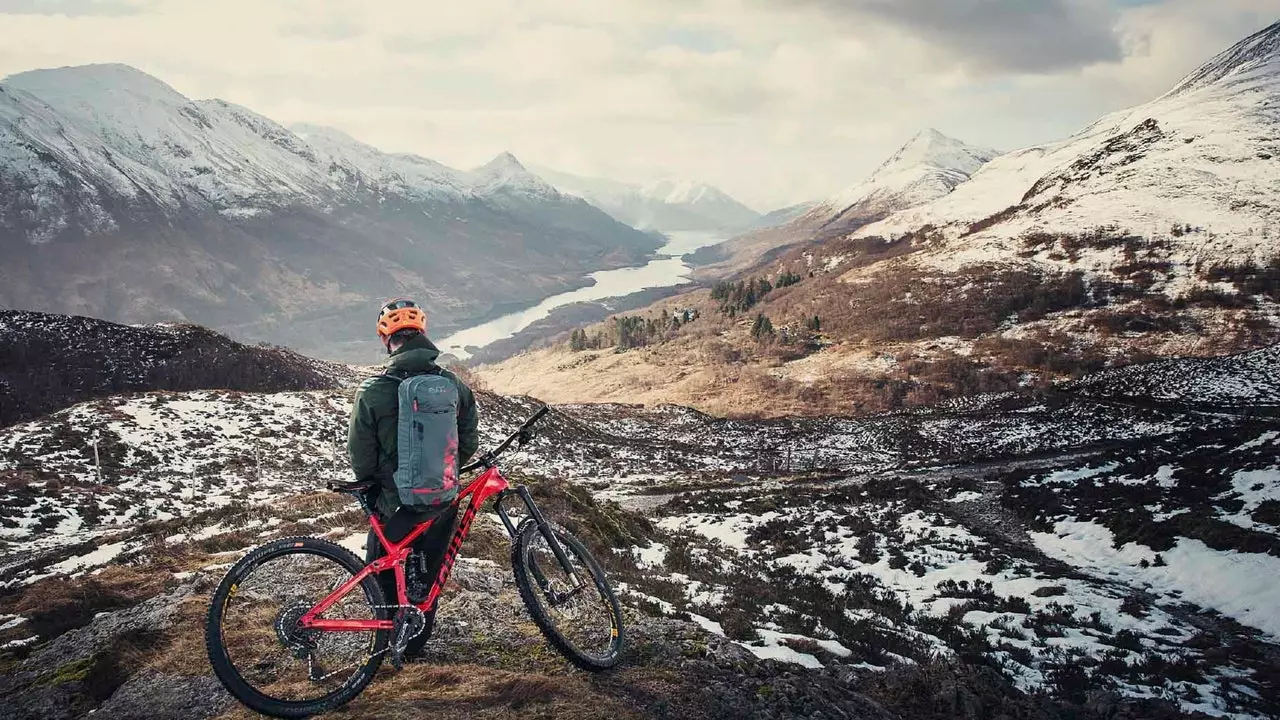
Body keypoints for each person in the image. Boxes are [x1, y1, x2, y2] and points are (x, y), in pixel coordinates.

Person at [347, 298, 479, 658]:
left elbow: (360, 456)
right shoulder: (451, 383)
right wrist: (442, 472)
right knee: (428, 573)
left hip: (394, 505)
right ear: (422, 333)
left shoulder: (372, 391)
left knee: (384, 567)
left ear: (386, 340)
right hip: (441, 500)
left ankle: (389, 641)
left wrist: (382, 485)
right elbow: (468, 438)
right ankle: (416, 643)